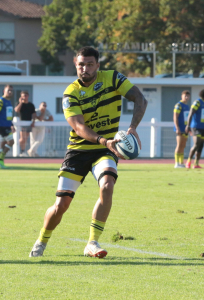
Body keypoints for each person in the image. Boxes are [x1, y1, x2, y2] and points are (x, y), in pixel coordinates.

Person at [29, 46, 147, 258]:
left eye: (90, 64)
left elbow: (140, 98)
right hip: (79, 150)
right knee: (61, 204)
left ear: (98, 65)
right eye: (81, 64)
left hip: (105, 149)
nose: (85, 68)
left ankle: (92, 242)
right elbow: (78, 127)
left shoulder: (112, 78)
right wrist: (104, 140)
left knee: (107, 186)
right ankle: (42, 240)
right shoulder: (71, 92)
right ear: (75, 64)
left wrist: (132, 128)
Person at [185, 89, 204, 169]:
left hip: (203, 128)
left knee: (201, 145)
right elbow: (191, 112)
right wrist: (188, 125)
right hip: (195, 127)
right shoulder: (197, 102)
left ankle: (196, 164)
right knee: (196, 144)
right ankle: (188, 161)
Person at [14, 91, 36, 157]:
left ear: (28, 96)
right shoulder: (19, 104)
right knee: (22, 138)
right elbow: (16, 110)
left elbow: (34, 114)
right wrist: (20, 102)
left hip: (28, 123)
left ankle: (22, 152)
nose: (24, 97)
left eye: (25, 96)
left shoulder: (31, 105)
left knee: (25, 139)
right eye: (23, 96)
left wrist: (33, 121)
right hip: (21, 123)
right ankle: (18, 148)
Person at [173, 90, 190, 168]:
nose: (186, 97)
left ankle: (181, 162)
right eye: (185, 96)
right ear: (182, 96)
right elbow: (175, 117)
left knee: (183, 145)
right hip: (180, 129)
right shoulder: (178, 105)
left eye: (187, 96)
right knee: (179, 145)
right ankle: (176, 163)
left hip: (185, 129)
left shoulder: (187, 106)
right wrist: (177, 128)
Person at [0, 85, 15, 169]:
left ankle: (1, 161)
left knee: (2, 143)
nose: (10, 92)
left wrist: (12, 125)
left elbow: (8, 116)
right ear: (4, 91)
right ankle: (1, 159)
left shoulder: (9, 102)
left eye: (11, 90)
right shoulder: (1, 101)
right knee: (11, 141)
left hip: (7, 126)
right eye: (8, 90)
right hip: (2, 126)